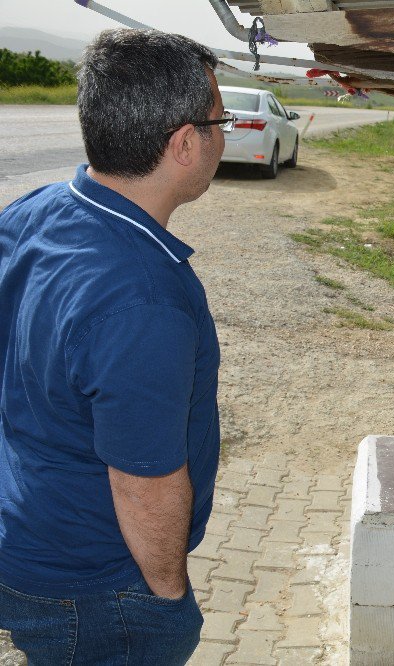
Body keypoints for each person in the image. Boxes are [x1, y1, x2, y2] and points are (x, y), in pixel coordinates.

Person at [0, 29, 229, 664]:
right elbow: (145, 483)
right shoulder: (143, 298)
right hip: (96, 586)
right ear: (185, 142)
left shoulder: (34, 213)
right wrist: (165, 596)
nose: (225, 133)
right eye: (221, 120)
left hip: (27, 536)